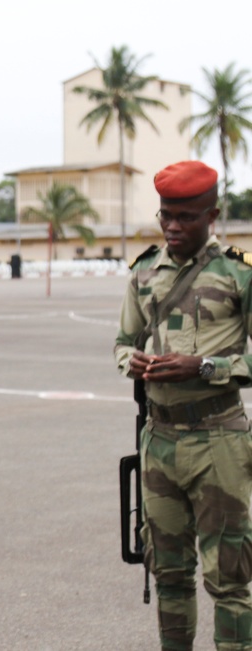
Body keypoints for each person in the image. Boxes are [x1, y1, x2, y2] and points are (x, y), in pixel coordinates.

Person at [115, 160, 252, 651]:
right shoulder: (145, 272)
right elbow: (121, 339)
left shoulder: (238, 273)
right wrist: (128, 361)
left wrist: (203, 367)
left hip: (219, 439)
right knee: (169, 572)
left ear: (211, 215)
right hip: (161, 441)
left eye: (186, 217)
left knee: (230, 580)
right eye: (166, 215)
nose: (173, 226)